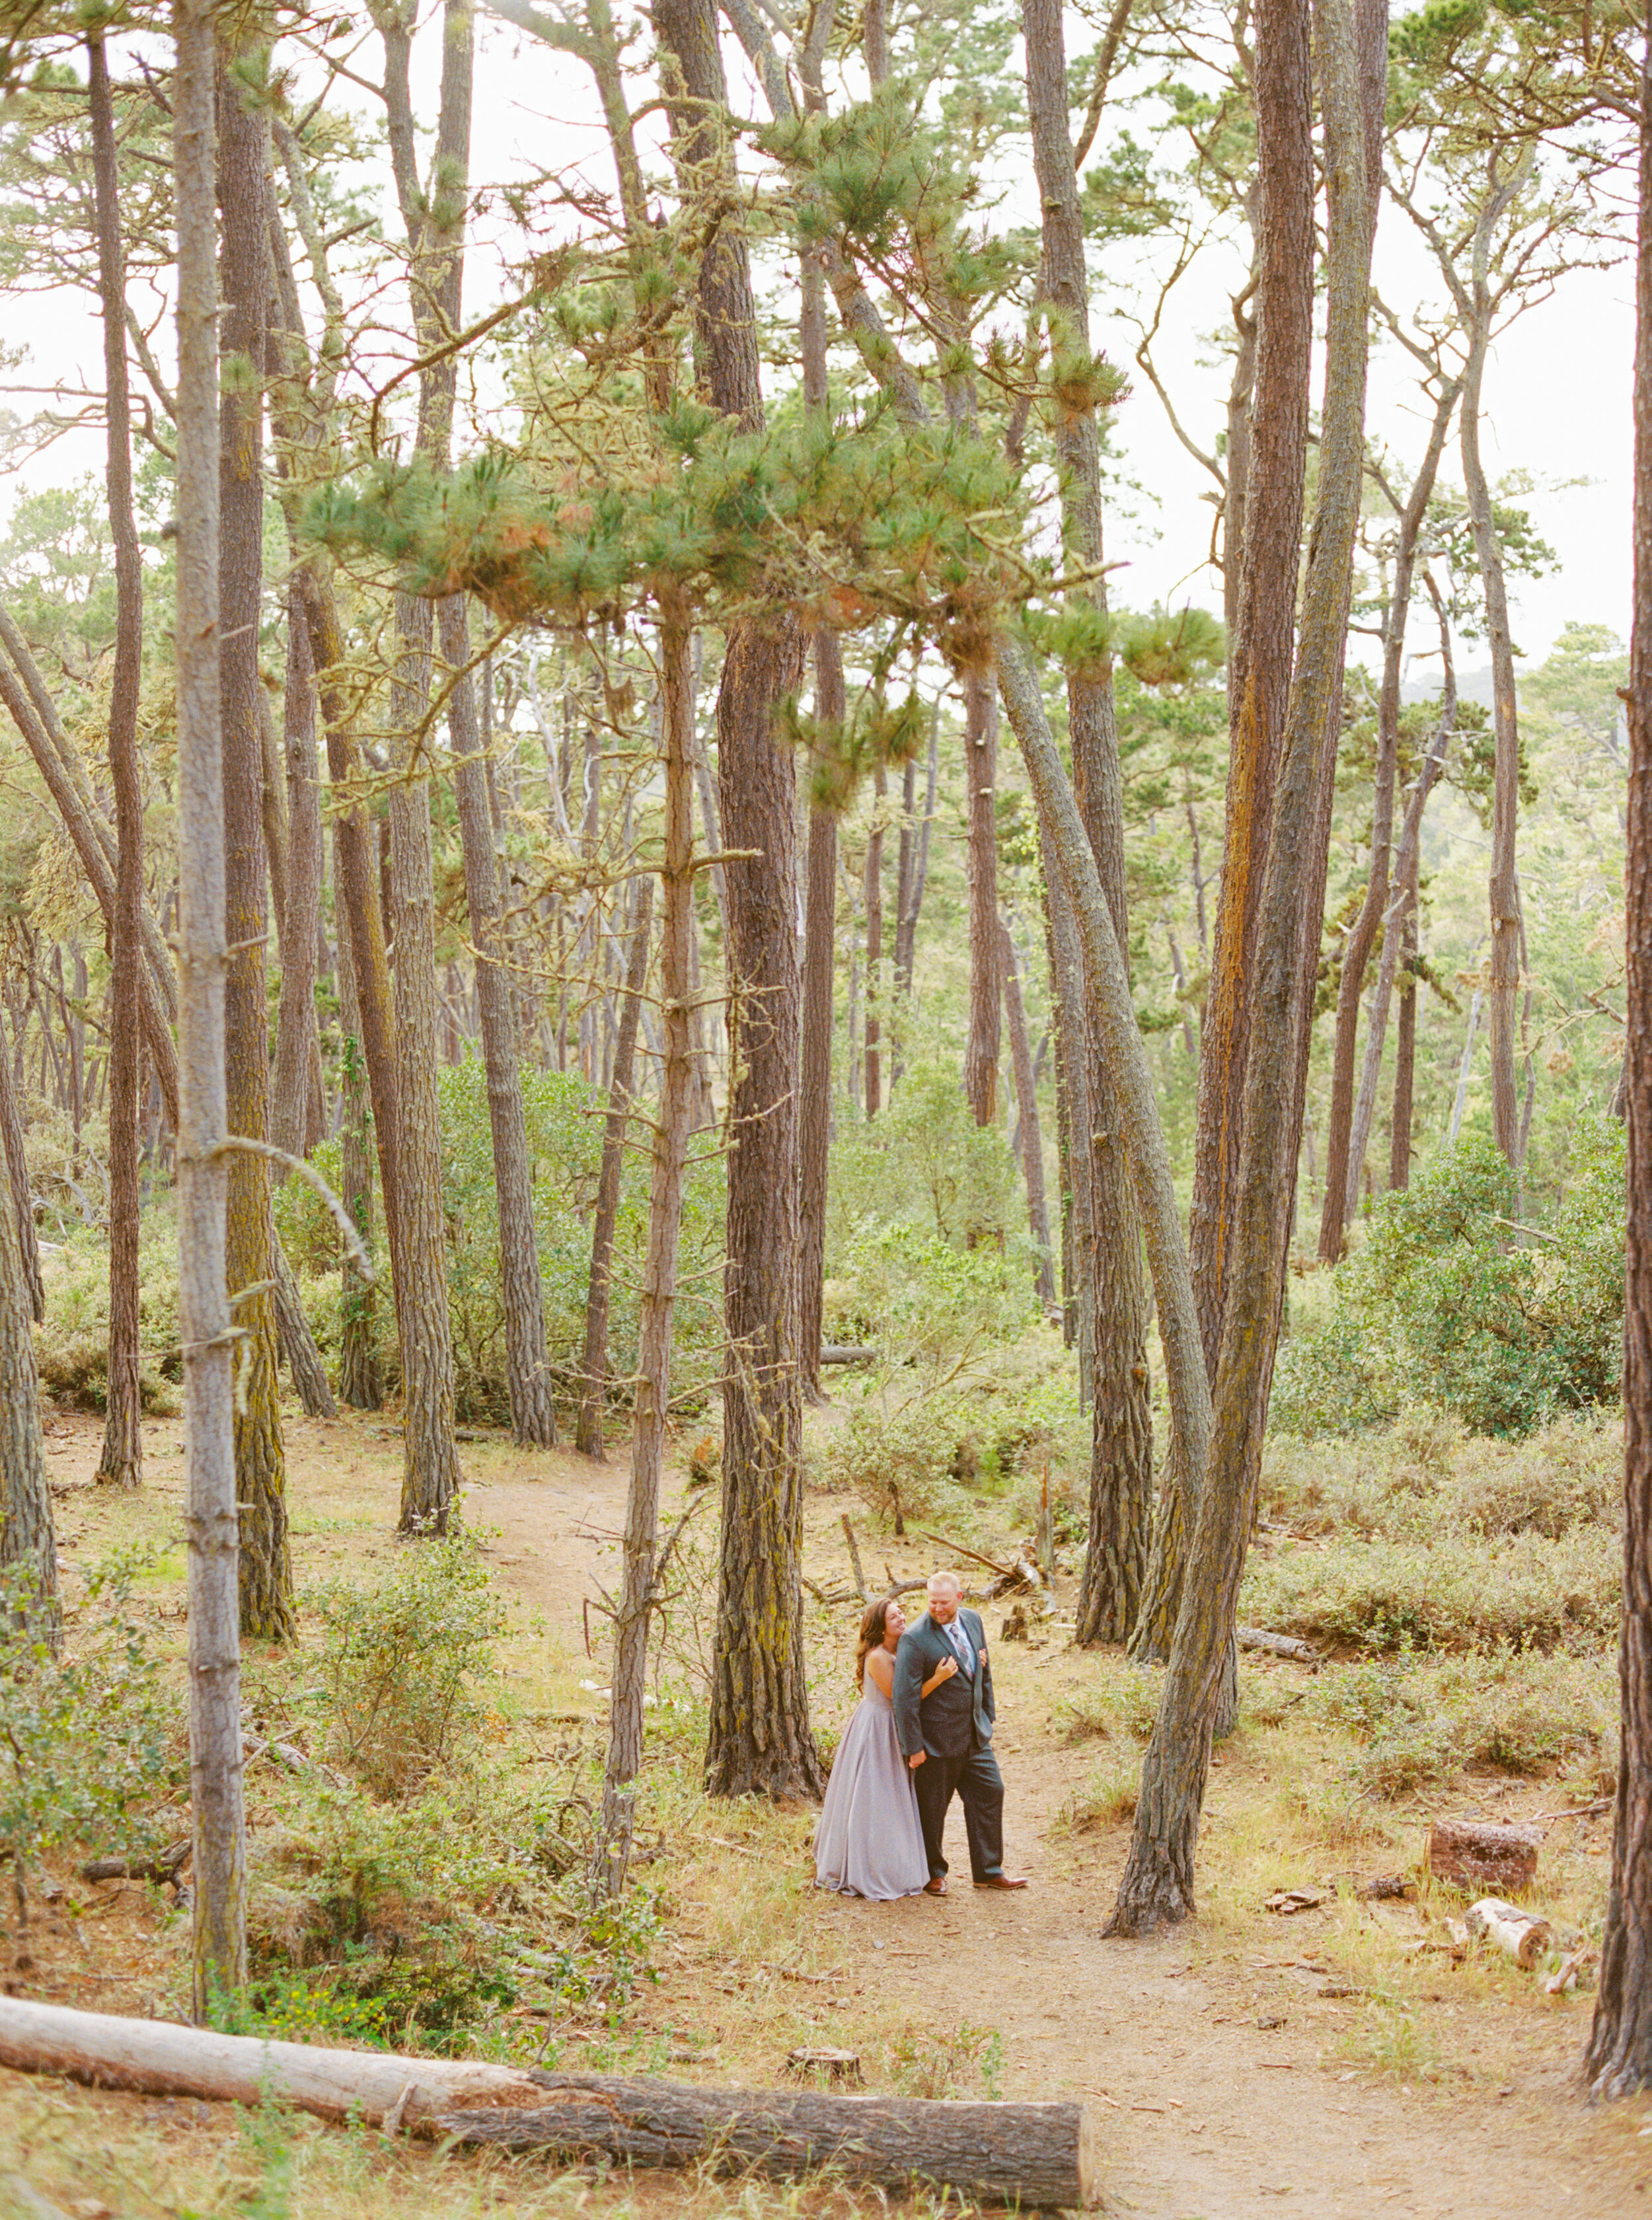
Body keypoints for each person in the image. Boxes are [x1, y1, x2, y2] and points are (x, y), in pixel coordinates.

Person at [892, 1570, 1028, 1896]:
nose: (937, 1608)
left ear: (959, 1598)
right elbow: (904, 1699)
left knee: (990, 1792)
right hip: (936, 1742)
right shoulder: (915, 1638)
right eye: (931, 1602)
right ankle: (932, 1872)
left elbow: (984, 1671)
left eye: (943, 1602)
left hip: (975, 1736)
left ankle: (988, 1871)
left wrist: (987, 1716)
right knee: (933, 1809)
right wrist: (913, 1746)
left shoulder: (973, 1620)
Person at [814, 1597, 954, 1900]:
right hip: (878, 1728)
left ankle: (896, 1858)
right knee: (877, 1792)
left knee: (897, 1793)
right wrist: (939, 1679)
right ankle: (871, 1864)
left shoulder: (903, 1648)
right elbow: (899, 1697)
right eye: (894, 1617)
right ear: (880, 1627)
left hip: (896, 1725)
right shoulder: (877, 1657)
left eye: (902, 1613)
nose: (902, 1619)